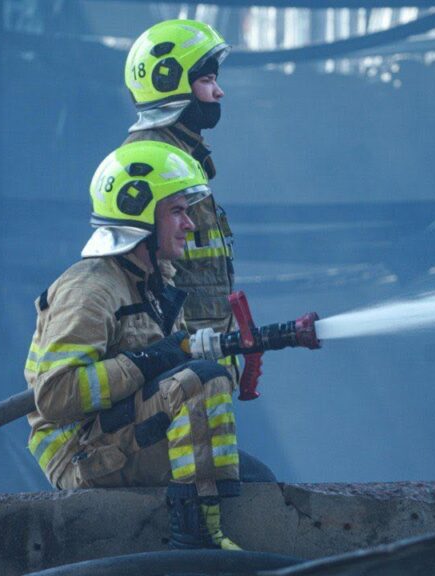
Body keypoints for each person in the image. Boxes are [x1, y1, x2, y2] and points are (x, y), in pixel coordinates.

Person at [25, 141, 241, 550]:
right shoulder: (91, 288)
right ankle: (195, 543)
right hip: (82, 454)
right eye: (176, 211)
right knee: (201, 381)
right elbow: (55, 395)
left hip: (123, 440)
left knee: (258, 482)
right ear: (139, 213)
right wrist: (149, 359)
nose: (190, 224)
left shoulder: (155, 283)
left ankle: (208, 528)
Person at [123, 20, 277, 484]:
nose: (218, 92)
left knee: (233, 487)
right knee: (245, 489)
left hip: (198, 368)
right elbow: (144, 278)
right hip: (178, 377)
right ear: (170, 82)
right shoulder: (151, 165)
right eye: (207, 80)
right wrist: (184, 351)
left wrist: (224, 344)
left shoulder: (181, 159)